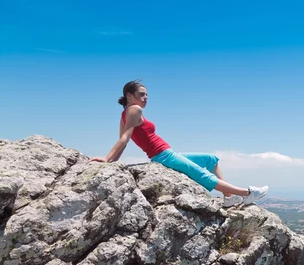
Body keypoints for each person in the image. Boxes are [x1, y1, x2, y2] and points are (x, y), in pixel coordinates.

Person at [90, 80, 268, 207]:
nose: (146, 98)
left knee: (211, 159)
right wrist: (107, 160)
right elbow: (124, 139)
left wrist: (111, 161)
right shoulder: (134, 110)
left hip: (167, 153)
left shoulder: (125, 115)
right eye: (141, 94)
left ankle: (228, 196)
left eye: (147, 95)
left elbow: (124, 140)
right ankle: (247, 194)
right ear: (129, 96)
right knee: (201, 174)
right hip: (163, 155)